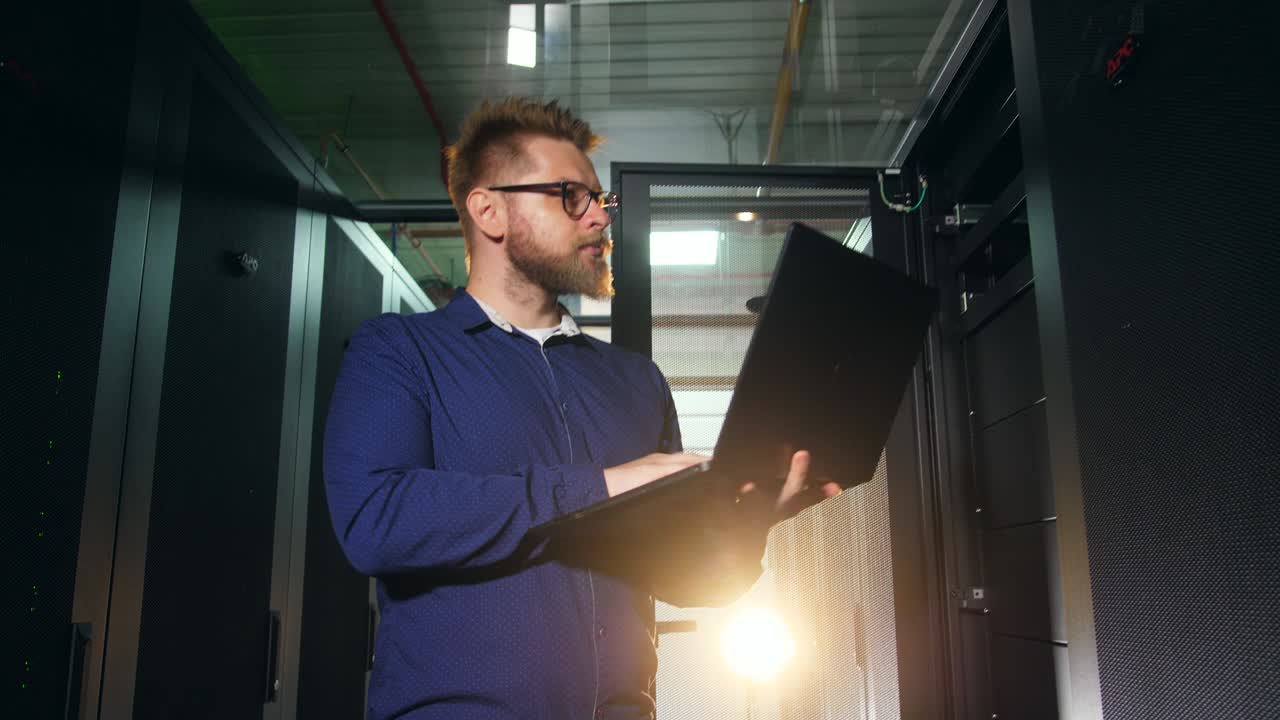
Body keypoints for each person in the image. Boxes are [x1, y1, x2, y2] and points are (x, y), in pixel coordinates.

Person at [323, 97, 839, 720]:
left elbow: (680, 579)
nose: (598, 217)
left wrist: (750, 523)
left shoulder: (637, 381)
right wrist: (602, 487)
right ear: (488, 210)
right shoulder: (399, 350)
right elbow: (376, 520)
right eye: (570, 196)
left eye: (600, 199)